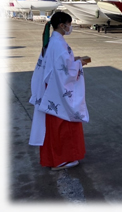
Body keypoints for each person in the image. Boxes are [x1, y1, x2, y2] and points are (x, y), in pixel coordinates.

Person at [29, 11, 90, 171]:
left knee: (53, 126)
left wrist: (75, 61)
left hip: (52, 90)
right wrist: (78, 63)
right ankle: (63, 159)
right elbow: (64, 70)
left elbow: (57, 65)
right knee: (65, 124)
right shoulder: (58, 43)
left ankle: (54, 158)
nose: (70, 27)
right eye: (69, 24)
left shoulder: (53, 42)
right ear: (63, 25)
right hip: (58, 90)